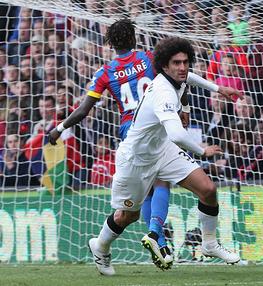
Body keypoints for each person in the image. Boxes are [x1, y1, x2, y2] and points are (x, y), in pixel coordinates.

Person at [48, 19, 240, 270]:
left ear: (110, 44)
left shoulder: (106, 72)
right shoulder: (148, 59)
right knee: (129, 213)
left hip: (154, 134)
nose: (181, 66)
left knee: (206, 189)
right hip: (140, 141)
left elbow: (84, 109)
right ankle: (105, 244)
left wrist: (60, 128)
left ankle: (189, 241)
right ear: (134, 38)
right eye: (177, 62)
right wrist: (193, 120)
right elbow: (182, 87)